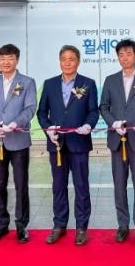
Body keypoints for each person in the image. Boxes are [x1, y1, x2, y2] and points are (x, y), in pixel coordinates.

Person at [37, 45, 99, 246]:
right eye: (64, 59)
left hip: (79, 143)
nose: (67, 63)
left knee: (81, 186)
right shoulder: (49, 84)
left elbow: (93, 111)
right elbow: (41, 112)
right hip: (56, 143)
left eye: (71, 59)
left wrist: (88, 125)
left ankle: (81, 228)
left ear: (78, 61)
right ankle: (59, 225)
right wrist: (48, 129)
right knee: (58, 186)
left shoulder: (88, 84)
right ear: (59, 61)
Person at [99, 39, 135, 245]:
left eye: (128, 54)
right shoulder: (110, 80)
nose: (124, 58)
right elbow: (103, 107)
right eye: (121, 54)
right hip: (117, 139)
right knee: (119, 184)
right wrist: (113, 123)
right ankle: (123, 225)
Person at [0, 44, 37, 244]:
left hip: (18, 140)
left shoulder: (27, 82)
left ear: (17, 60)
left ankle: (21, 225)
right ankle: (2, 224)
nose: (6, 62)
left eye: (10, 58)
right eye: (3, 59)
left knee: (21, 184)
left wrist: (16, 123)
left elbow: (30, 108)